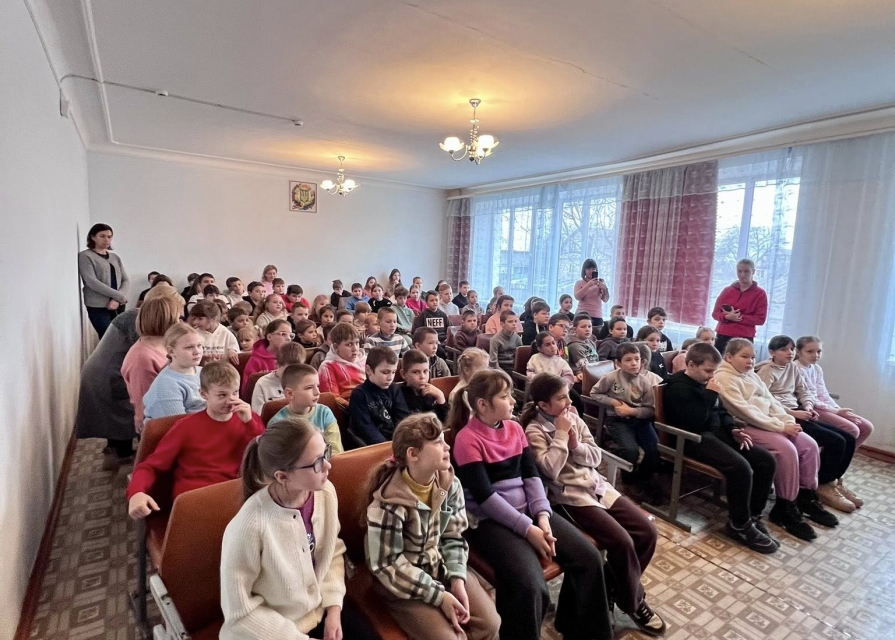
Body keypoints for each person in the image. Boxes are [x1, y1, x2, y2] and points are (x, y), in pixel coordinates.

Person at [447, 369, 613, 640]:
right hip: (490, 521)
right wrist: (528, 529)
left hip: (529, 511)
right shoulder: (467, 440)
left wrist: (543, 517)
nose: (513, 400)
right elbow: (486, 498)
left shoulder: (514, 428)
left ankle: (581, 631)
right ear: (483, 405)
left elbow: (531, 475)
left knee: (589, 558)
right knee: (531, 586)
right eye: (505, 396)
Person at [521, 373, 666, 636]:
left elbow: (596, 457)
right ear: (543, 405)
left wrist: (576, 444)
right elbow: (549, 470)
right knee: (622, 542)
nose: (568, 402)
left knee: (647, 532)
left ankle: (611, 589)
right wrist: (561, 435)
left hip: (597, 488)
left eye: (568, 395)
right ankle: (634, 603)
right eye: (561, 398)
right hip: (569, 497)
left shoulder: (573, 418)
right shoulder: (534, 430)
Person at [220, 418, 378, 640]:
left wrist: (334, 608)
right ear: (282, 476)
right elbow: (240, 613)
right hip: (273, 631)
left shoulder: (325, 493)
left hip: (319, 608)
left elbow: (332, 552)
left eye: (326, 453)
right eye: (317, 462)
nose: (328, 465)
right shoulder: (249, 525)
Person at [365, 414, 501, 640]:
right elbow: (388, 564)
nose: (447, 446)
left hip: (438, 567)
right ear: (413, 454)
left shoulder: (449, 483)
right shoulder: (389, 502)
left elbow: (453, 536)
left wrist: (457, 578)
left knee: (490, 624)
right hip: (402, 582)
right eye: (438, 442)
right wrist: (439, 596)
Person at [713, 338, 833, 541]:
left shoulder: (751, 375)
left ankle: (804, 497)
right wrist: (780, 427)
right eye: (744, 357)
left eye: (752, 357)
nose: (750, 361)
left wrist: (787, 420)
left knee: (809, 445)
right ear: (729, 357)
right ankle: (785, 506)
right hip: (746, 425)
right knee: (787, 450)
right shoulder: (724, 377)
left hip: (771, 422)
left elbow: (771, 401)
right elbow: (744, 411)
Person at [663, 343, 779, 553]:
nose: (711, 376)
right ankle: (739, 524)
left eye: (714, 371)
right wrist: (709, 395)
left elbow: (721, 411)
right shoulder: (677, 387)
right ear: (691, 365)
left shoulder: (707, 382)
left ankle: (753, 516)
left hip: (716, 434)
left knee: (765, 460)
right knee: (741, 468)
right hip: (691, 439)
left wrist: (732, 428)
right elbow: (692, 423)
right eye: (708, 371)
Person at [126, 362, 264, 520]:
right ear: (203, 394)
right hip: (196, 495)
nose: (231, 400)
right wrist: (136, 492)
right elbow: (151, 466)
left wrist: (250, 424)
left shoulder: (249, 419)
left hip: (234, 491)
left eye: (235, 393)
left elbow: (263, 456)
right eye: (222, 395)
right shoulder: (185, 427)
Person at [756, 336, 857, 513]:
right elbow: (765, 400)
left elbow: (804, 391)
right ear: (772, 352)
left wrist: (808, 406)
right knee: (836, 441)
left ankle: (832, 482)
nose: (789, 353)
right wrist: (793, 413)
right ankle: (823, 484)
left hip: (798, 410)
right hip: (783, 414)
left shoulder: (792, 368)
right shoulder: (767, 370)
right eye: (784, 349)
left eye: (791, 349)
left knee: (848, 438)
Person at [796, 335, 873, 499]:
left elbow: (823, 393)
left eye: (819, 351)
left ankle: (837, 472)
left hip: (824, 406)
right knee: (852, 430)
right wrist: (836, 412)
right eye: (810, 351)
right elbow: (809, 398)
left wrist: (838, 409)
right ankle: (825, 475)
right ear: (798, 351)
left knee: (866, 427)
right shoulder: (796, 369)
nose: (815, 355)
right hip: (811, 407)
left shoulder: (816, 369)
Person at [590, 343, 660, 500]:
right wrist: (613, 402)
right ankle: (628, 482)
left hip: (639, 419)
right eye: (628, 360)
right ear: (618, 363)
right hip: (617, 420)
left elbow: (650, 409)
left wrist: (632, 411)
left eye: (637, 359)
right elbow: (594, 393)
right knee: (630, 450)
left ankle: (643, 478)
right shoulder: (611, 378)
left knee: (654, 450)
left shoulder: (645, 382)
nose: (634, 363)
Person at [121, 289, 183, 439]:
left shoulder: (161, 345)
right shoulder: (142, 358)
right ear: (167, 321)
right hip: (158, 423)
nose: (181, 322)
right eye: (178, 318)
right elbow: (145, 401)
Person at [271, 364, 343, 453]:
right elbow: (280, 458)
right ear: (290, 393)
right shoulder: (277, 424)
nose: (317, 392)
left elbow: (335, 451)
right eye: (309, 388)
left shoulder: (324, 413)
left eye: (318, 386)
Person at [142, 323, 206, 421]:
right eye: (189, 347)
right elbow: (178, 426)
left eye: (199, 345)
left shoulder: (203, 372)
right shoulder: (165, 387)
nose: (197, 351)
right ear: (171, 351)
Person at [348, 347, 410, 444]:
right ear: (369, 370)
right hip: (376, 446)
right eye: (385, 372)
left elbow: (404, 419)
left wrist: (402, 442)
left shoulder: (394, 389)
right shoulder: (359, 394)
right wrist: (386, 447)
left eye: (393, 372)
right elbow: (366, 428)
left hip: (399, 442)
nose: (390, 378)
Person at [78, 223, 130, 338]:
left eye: (109, 236)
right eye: (102, 236)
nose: (106, 239)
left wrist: (117, 299)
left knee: (121, 338)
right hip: (98, 305)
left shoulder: (115, 257)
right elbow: (92, 281)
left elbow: (125, 280)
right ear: (93, 237)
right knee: (107, 338)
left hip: (118, 303)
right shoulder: (86, 256)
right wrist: (118, 296)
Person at [711, 258, 768, 355]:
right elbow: (715, 314)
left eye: (746, 271)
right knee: (719, 362)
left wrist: (738, 317)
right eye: (739, 271)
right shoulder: (727, 290)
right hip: (723, 335)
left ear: (753, 272)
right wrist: (726, 317)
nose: (742, 274)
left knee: (741, 363)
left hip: (744, 337)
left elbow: (760, 319)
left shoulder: (760, 294)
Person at [241, 319, 294, 397]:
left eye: (291, 335)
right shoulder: (256, 360)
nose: (288, 338)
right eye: (283, 334)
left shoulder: (292, 357)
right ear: (269, 337)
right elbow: (247, 390)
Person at [251, 342, 305, 414]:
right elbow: (257, 413)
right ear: (276, 364)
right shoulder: (263, 383)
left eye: (296, 370)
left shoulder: (304, 382)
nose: (292, 374)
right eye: (288, 370)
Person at [317, 322, 366, 402]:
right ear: (336, 347)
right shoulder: (327, 366)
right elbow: (333, 400)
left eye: (357, 343)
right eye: (349, 344)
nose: (355, 349)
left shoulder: (365, 360)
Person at [400, 349, 449, 422]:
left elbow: (445, 422)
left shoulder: (431, 393)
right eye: (416, 372)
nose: (422, 376)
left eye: (425, 371)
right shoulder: (399, 395)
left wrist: (440, 397)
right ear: (403, 374)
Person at [573, 258, 610, 328]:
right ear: (584, 270)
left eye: (593, 269)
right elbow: (577, 297)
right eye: (588, 269)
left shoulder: (600, 282)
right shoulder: (579, 283)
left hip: (597, 315)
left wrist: (604, 288)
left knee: (597, 333)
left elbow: (605, 300)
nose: (591, 271)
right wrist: (589, 285)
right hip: (582, 314)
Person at [489, 310, 522, 374]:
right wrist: (503, 374)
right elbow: (493, 362)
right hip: (500, 368)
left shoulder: (517, 338)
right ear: (502, 324)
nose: (514, 324)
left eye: (515, 321)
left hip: (513, 368)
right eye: (510, 321)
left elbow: (520, 358)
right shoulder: (495, 339)